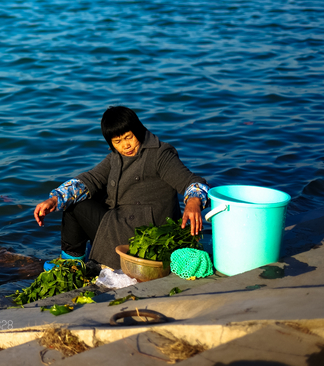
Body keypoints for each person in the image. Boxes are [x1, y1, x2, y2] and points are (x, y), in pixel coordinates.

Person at [32, 106, 209, 268]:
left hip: (145, 236)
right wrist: (55, 198)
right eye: (117, 141)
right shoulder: (115, 157)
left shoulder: (160, 155)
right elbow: (90, 179)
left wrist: (193, 201)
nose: (125, 145)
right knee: (79, 195)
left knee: (77, 207)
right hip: (122, 224)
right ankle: (73, 262)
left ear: (137, 130)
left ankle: (72, 265)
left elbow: (192, 182)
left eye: (128, 137)